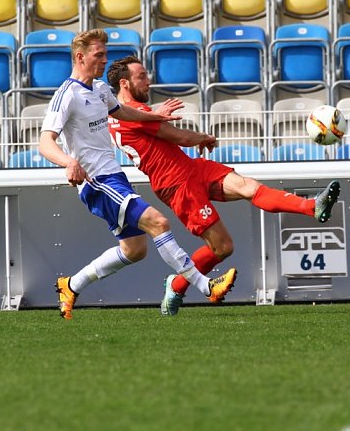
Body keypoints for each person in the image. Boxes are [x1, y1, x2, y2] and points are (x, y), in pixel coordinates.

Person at [106, 56, 340, 316]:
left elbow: (172, 137)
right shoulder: (132, 115)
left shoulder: (129, 113)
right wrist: (204, 137)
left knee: (247, 187)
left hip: (191, 168)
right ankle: (177, 284)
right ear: (124, 83)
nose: (148, 82)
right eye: (142, 77)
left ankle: (312, 206)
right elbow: (181, 136)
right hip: (175, 184)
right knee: (223, 247)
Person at [39, 29, 237, 320]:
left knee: (134, 250)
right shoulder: (66, 95)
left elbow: (124, 113)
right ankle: (206, 286)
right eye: (99, 55)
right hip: (96, 181)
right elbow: (45, 141)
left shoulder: (100, 90)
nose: (105, 60)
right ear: (80, 57)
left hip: (114, 177)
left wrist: (156, 116)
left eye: (106, 54)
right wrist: (68, 162)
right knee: (158, 222)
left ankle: (71, 285)